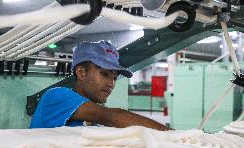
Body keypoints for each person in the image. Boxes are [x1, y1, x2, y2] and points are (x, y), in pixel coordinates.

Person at [30, 40, 171, 131]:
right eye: (105, 74)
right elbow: (113, 116)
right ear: (81, 73)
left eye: (115, 78)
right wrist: (172, 136)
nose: (111, 83)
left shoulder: (95, 123)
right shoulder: (57, 96)